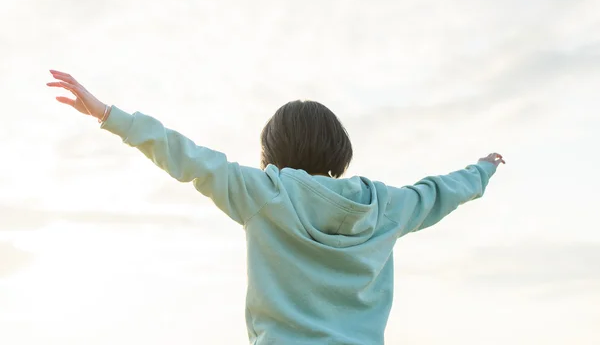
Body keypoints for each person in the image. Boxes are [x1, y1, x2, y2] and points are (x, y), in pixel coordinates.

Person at [47, 69, 505, 345]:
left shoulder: (264, 195)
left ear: (273, 149)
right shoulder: (386, 206)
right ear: (338, 149)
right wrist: (483, 168)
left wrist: (110, 115)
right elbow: (440, 192)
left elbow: (184, 155)